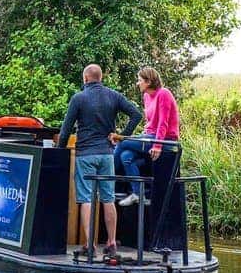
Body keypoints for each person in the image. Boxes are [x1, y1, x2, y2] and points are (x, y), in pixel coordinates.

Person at [54, 64, 142, 258]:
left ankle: (90, 245)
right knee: (108, 197)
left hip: (85, 154)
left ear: (85, 79)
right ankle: (111, 243)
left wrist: (59, 151)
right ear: (100, 78)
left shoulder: (78, 98)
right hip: (106, 154)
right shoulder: (113, 95)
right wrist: (121, 136)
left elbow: (66, 128)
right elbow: (137, 114)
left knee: (86, 199)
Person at [113, 66, 180, 207]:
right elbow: (151, 122)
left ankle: (107, 180)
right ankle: (138, 194)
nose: (138, 83)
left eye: (139, 80)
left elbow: (163, 123)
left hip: (165, 140)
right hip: (149, 135)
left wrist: (157, 145)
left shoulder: (164, 94)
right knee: (126, 156)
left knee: (123, 143)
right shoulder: (146, 96)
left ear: (148, 81)